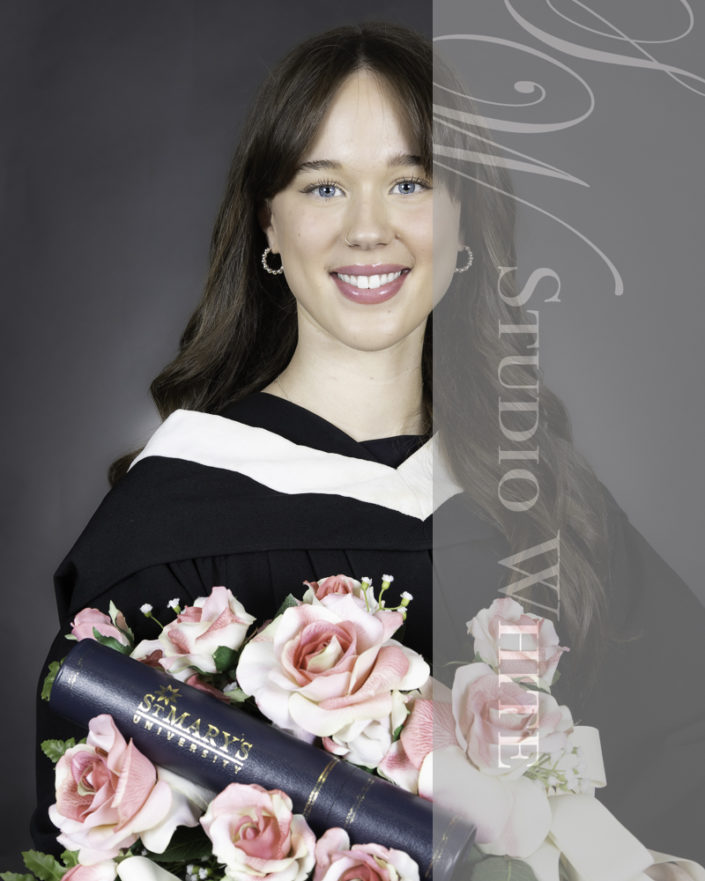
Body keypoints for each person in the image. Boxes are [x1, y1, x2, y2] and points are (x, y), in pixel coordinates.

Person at [33, 21, 705, 870]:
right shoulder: (163, 526)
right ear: (268, 225)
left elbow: (683, 755)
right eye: (323, 187)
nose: (368, 229)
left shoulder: (538, 503)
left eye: (410, 183)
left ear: (465, 218)